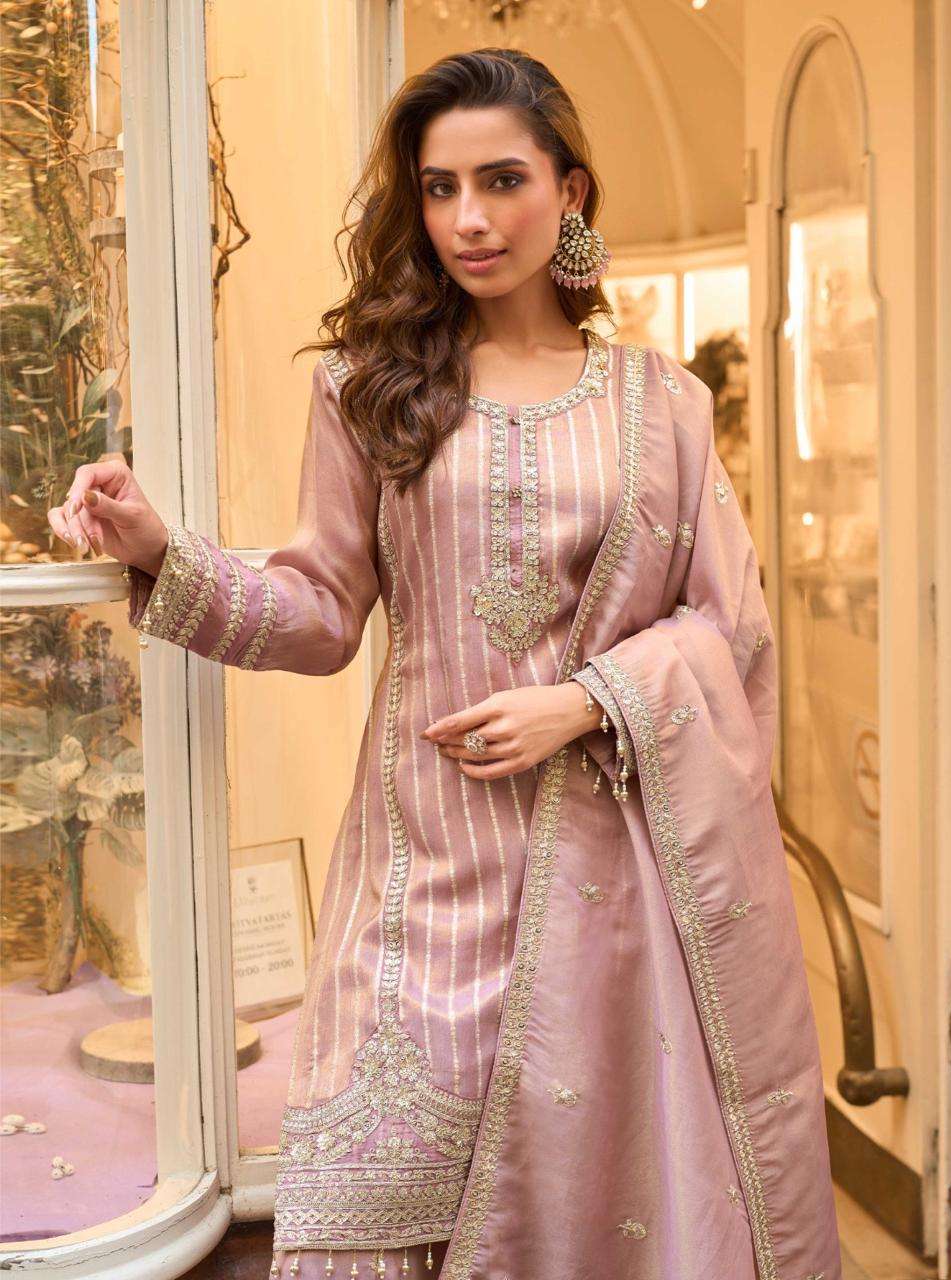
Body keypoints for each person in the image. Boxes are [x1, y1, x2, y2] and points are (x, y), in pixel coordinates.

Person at [48, 47, 842, 1280]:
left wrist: (582, 701)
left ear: (571, 191)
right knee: (375, 1208)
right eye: (439, 187)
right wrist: (163, 548)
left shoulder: (662, 406)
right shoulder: (369, 389)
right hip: (420, 880)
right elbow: (320, 612)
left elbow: (727, 631)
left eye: (503, 180)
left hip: (609, 891)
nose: (469, 218)